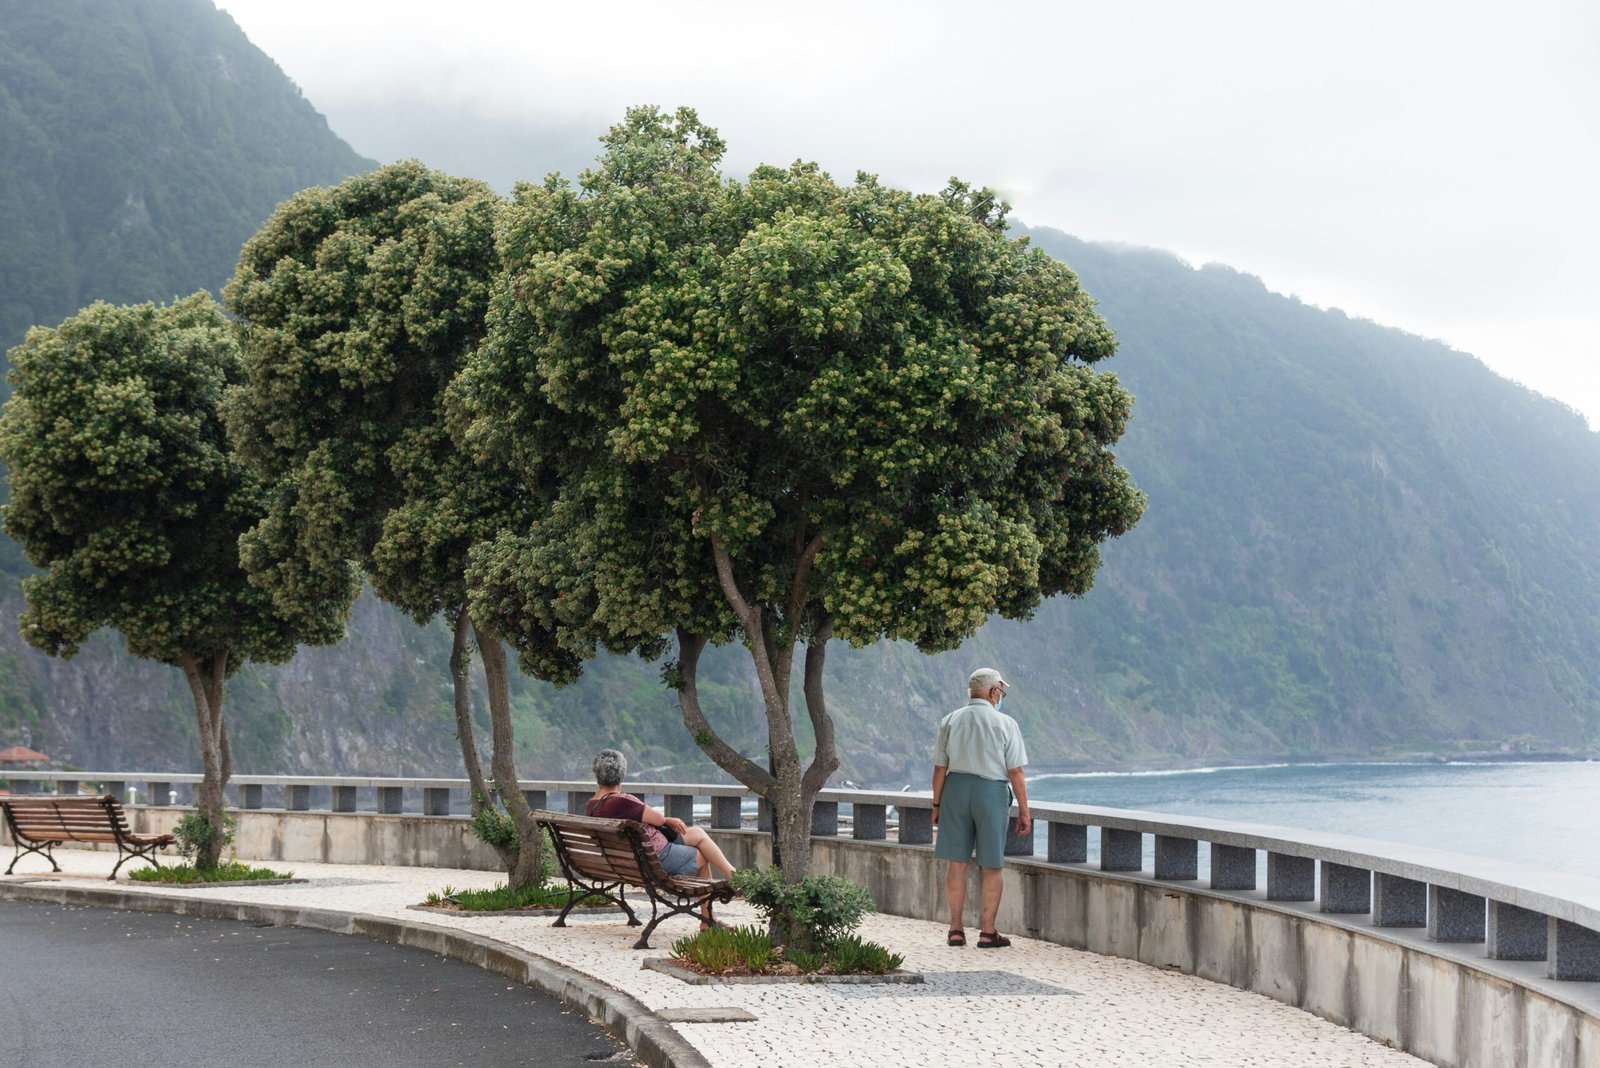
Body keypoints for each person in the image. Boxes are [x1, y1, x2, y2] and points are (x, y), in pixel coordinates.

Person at [932, 667, 1031, 948]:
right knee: (992, 864)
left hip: (955, 790)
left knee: (957, 862)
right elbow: (1017, 772)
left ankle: (955, 929)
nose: (1001, 695)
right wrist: (1024, 810)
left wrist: (937, 804)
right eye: (1001, 691)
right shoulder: (1005, 723)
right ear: (992, 692)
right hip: (991, 791)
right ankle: (988, 931)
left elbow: (940, 768)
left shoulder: (949, 721)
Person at [586, 749, 736, 893]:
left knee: (698, 833)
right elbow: (658, 819)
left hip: (624, 861)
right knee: (702, 856)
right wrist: (667, 820)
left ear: (596, 776)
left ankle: (734, 877)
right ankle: (712, 911)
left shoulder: (592, 805)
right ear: (622, 776)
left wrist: (666, 821)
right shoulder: (623, 801)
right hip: (654, 859)